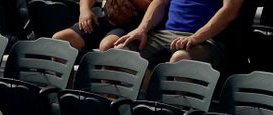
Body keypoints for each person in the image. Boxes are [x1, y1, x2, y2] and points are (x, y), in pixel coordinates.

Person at [114, 0, 243, 69]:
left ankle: (172, 113)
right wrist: (141, 29)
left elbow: (230, 10)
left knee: (180, 59)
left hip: (206, 40)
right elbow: (160, 2)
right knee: (120, 51)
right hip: (166, 34)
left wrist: (195, 38)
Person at [53, 0, 151, 52]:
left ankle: (105, 88)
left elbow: (151, 5)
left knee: (106, 46)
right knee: (60, 39)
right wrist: (85, 9)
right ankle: (59, 86)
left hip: (132, 26)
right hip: (106, 19)